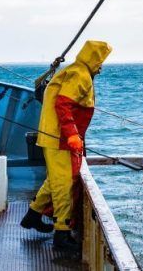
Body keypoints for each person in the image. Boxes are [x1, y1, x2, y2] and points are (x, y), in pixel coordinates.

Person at [20, 40, 112, 251]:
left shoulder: (75, 70)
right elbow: (63, 103)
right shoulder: (80, 75)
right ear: (93, 59)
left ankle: (32, 215)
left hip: (52, 135)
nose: (101, 67)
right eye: (100, 62)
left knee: (55, 179)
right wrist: (71, 134)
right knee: (64, 184)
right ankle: (62, 234)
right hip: (59, 138)